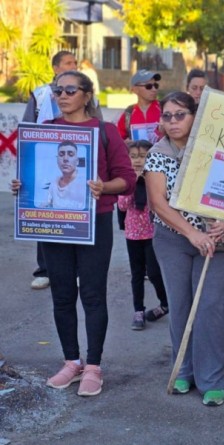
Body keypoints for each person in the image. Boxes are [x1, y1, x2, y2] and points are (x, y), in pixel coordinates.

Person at [12, 70, 136, 397]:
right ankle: (71, 361)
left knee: (92, 295)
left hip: (94, 225)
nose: (62, 95)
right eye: (58, 90)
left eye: (70, 90)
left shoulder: (105, 132)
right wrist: (23, 186)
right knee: (62, 295)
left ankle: (93, 366)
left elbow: (127, 179)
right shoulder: (45, 130)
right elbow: (33, 176)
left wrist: (103, 187)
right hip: (53, 227)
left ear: (87, 95)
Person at [144, 92, 224, 406]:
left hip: (216, 239)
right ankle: (182, 369)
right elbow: (158, 203)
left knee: (209, 307)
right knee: (180, 305)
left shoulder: (218, 150)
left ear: (196, 116)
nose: (173, 122)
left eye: (180, 114)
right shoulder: (157, 152)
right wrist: (192, 233)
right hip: (173, 239)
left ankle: (212, 379)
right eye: (167, 116)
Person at [22, 50, 80, 291]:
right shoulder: (40, 95)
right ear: (55, 68)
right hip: (46, 161)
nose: (73, 65)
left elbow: (95, 125)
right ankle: (44, 270)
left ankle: (76, 270)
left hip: (76, 159)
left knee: (76, 212)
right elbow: (27, 128)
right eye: (68, 63)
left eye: (75, 62)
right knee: (45, 213)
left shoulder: (86, 93)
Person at [117, 140, 168, 330]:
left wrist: (146, 181)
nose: (138, 161)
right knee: (137, 274)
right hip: (133, 234)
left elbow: (162, 202)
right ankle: (138, 311)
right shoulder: (125, 180)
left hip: (153, 232)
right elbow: (122, 206)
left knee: (154, 272)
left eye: (143, 156)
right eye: (133, 157)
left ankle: (165, 303)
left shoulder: (156, 177)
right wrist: (132, 183)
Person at [37, 141, 88, 210]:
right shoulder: (54, 184)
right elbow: (46, 204)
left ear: (77, 161)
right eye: (61, 154)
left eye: (70, 154)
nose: (65, 159)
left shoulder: (85, 182)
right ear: (57, 160)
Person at [116, 70, 162, 142]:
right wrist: (125, 143)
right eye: (148, 86)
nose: (154, 89)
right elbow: (117, 140)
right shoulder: (128, 114)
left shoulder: (164, 109)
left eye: (156, 86)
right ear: (135, 89)